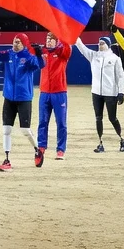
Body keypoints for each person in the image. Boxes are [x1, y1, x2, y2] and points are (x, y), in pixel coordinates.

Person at [0, 31, 43, 171]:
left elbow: (40, 65)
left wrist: (38, 54)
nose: (15, 43)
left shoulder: (28, 57)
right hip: (9, 97)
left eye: (18, 41)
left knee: (25, 130)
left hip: (24, 98)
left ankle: (37, 149)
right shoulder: (9, 54)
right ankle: (7, 159)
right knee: (6, 129)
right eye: (14, 41)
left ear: (24, 44)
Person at [73, 36, 124, 153]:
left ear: (108, 44)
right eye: (99, 43)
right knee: (98, 118)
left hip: (110, 93)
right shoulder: (94, 56)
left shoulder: (115, 59)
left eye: (102, 43)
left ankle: (121, 139)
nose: (100, 45)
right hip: (96, 92)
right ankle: (100, 142)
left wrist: (121, 92)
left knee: (112, 118)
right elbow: (82, 47)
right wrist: (76, 37)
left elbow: (120, 76)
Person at [34, 33, 70, 164]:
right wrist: (37, 52)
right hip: (44, 93)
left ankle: (61, 149)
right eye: (47, 39)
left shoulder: (62, 53)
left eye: (51, 40)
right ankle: (41, 147)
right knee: (42, 122)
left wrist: (63, 33)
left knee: (61, 123)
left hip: (59, 93)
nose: (48, 42)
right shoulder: (42, 52)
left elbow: (67, 48)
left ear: (57, 41)